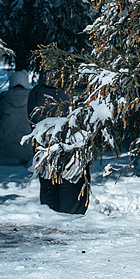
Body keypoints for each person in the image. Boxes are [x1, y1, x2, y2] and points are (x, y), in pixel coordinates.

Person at [27, 71, 90, 215]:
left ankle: (53, 227)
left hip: (45, 155)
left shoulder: (36, 92)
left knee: (49, 197)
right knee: (73, 200)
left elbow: (31, 118)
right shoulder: (79, 93)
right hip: (73, 157)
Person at [0, 70, 33, 165]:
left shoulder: (5, 98)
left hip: (4, 142)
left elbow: (0, 115)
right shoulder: (31, 97)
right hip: (27, 146)